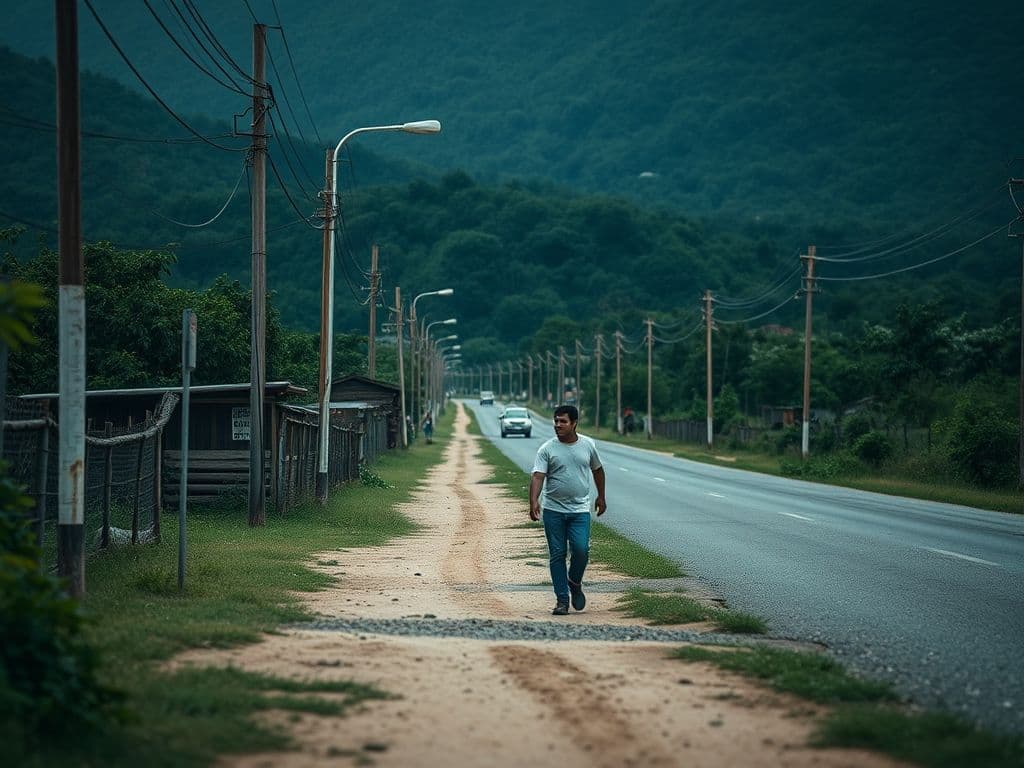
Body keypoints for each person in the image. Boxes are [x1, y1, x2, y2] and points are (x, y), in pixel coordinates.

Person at [529, 404, 606, 616]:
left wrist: (601, 496)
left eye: (563, 421)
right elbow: (537, 476)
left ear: (574, 423)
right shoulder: (547, 449)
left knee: (581, 550)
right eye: (556, 421)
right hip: (553, 510)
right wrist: (534, 501)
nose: (558, 425)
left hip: (579, 510)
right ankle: (562, 600)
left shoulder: (588, 445)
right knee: (557, 554)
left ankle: (574, 582)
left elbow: (598, 470)